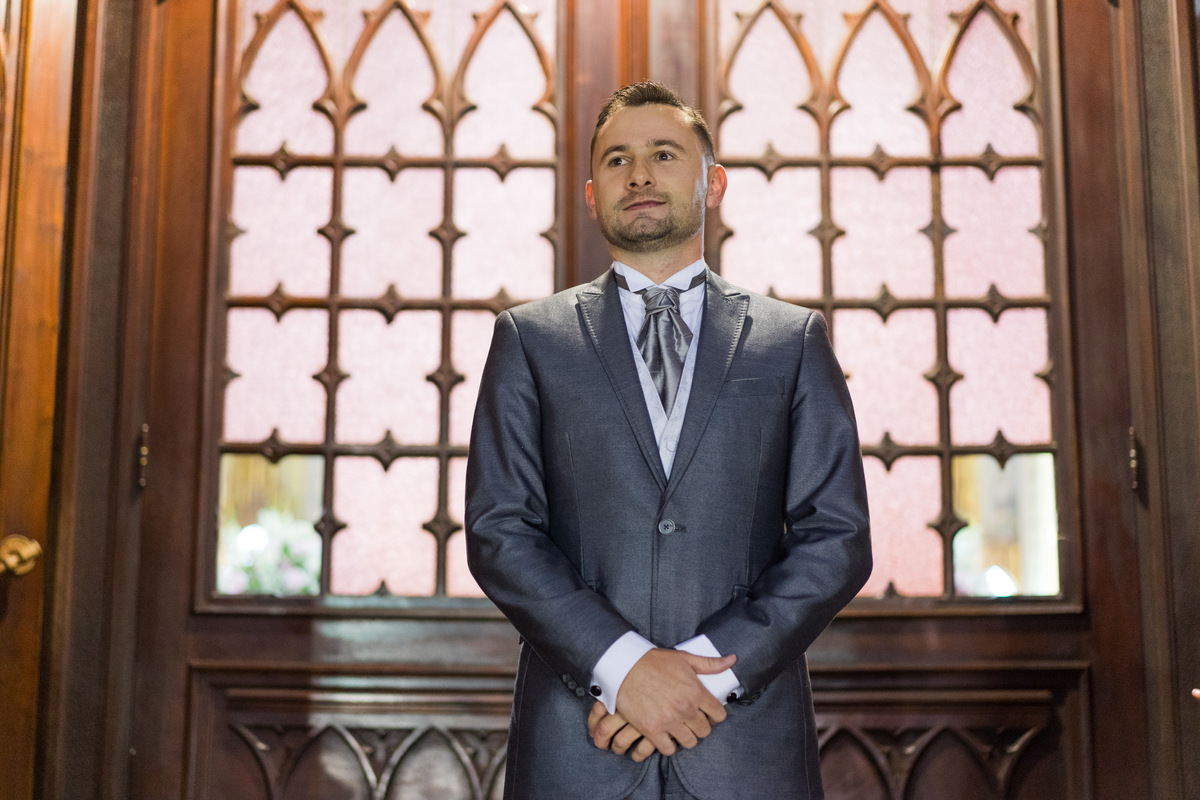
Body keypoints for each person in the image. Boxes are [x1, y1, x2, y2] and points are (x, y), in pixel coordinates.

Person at [466, 81, 871, 800]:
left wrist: (704, 670)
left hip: (743, 741)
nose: (641, 174)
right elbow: (501, 530)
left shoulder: (791, 341)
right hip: (580, 740)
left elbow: (836, 536)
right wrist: (624, 668)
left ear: (713, 183)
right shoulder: (530, 340)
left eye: (664, 154)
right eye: (618, 160)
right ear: (592, 195)